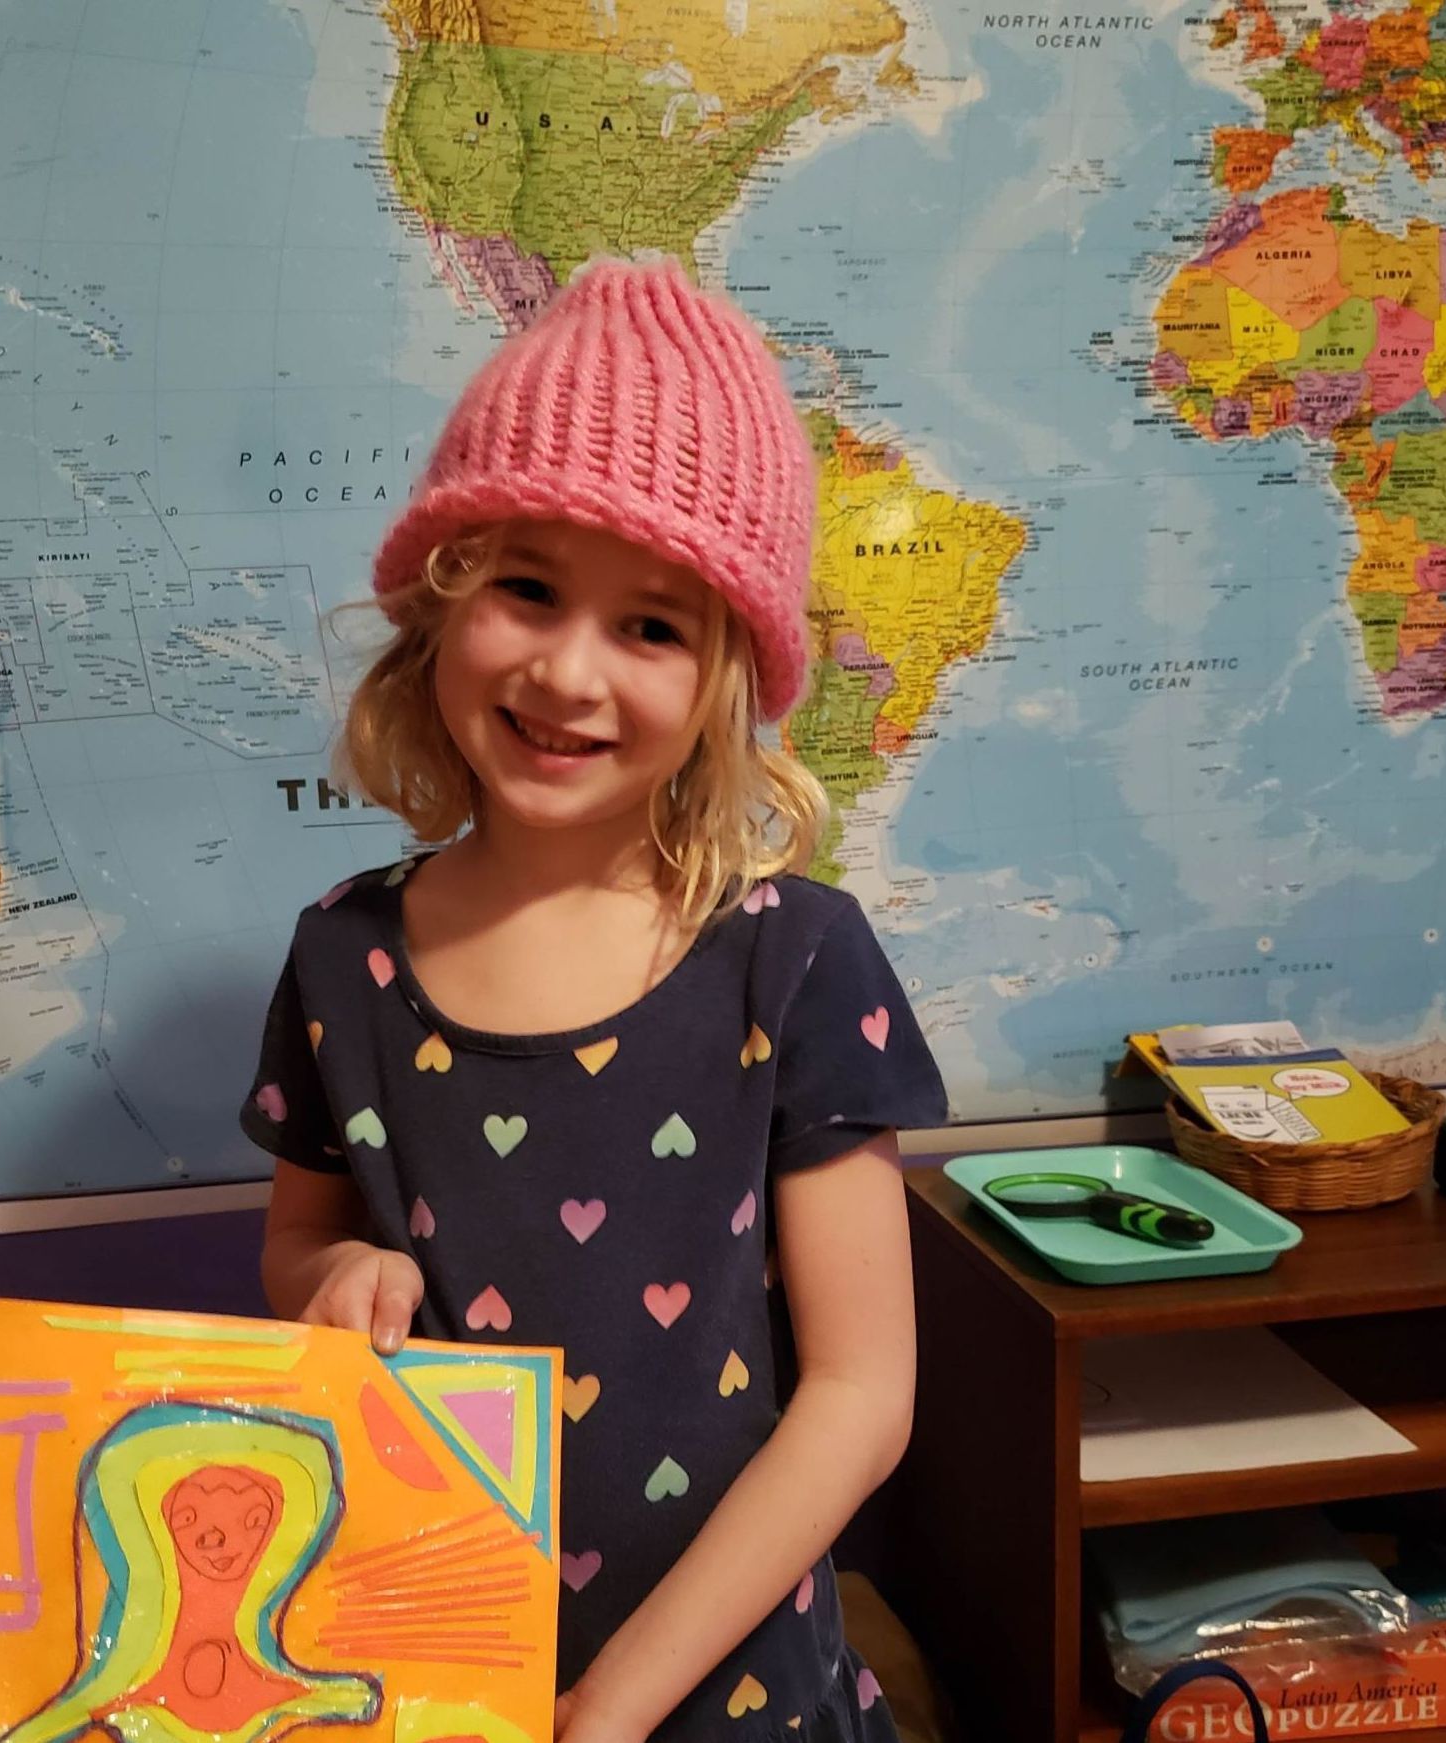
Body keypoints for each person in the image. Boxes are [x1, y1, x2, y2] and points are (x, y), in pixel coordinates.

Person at [242, 255, 948, 1743]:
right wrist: (329, 1288)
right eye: (527, 589)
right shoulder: (338, 958)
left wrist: (617, 1707)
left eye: (652, 626)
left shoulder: (794, 957)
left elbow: (863, 1395)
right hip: (426, 1675)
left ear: (721, 680)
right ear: (442, 604)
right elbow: (303, 1245)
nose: (569, 672)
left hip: (730, 1697)